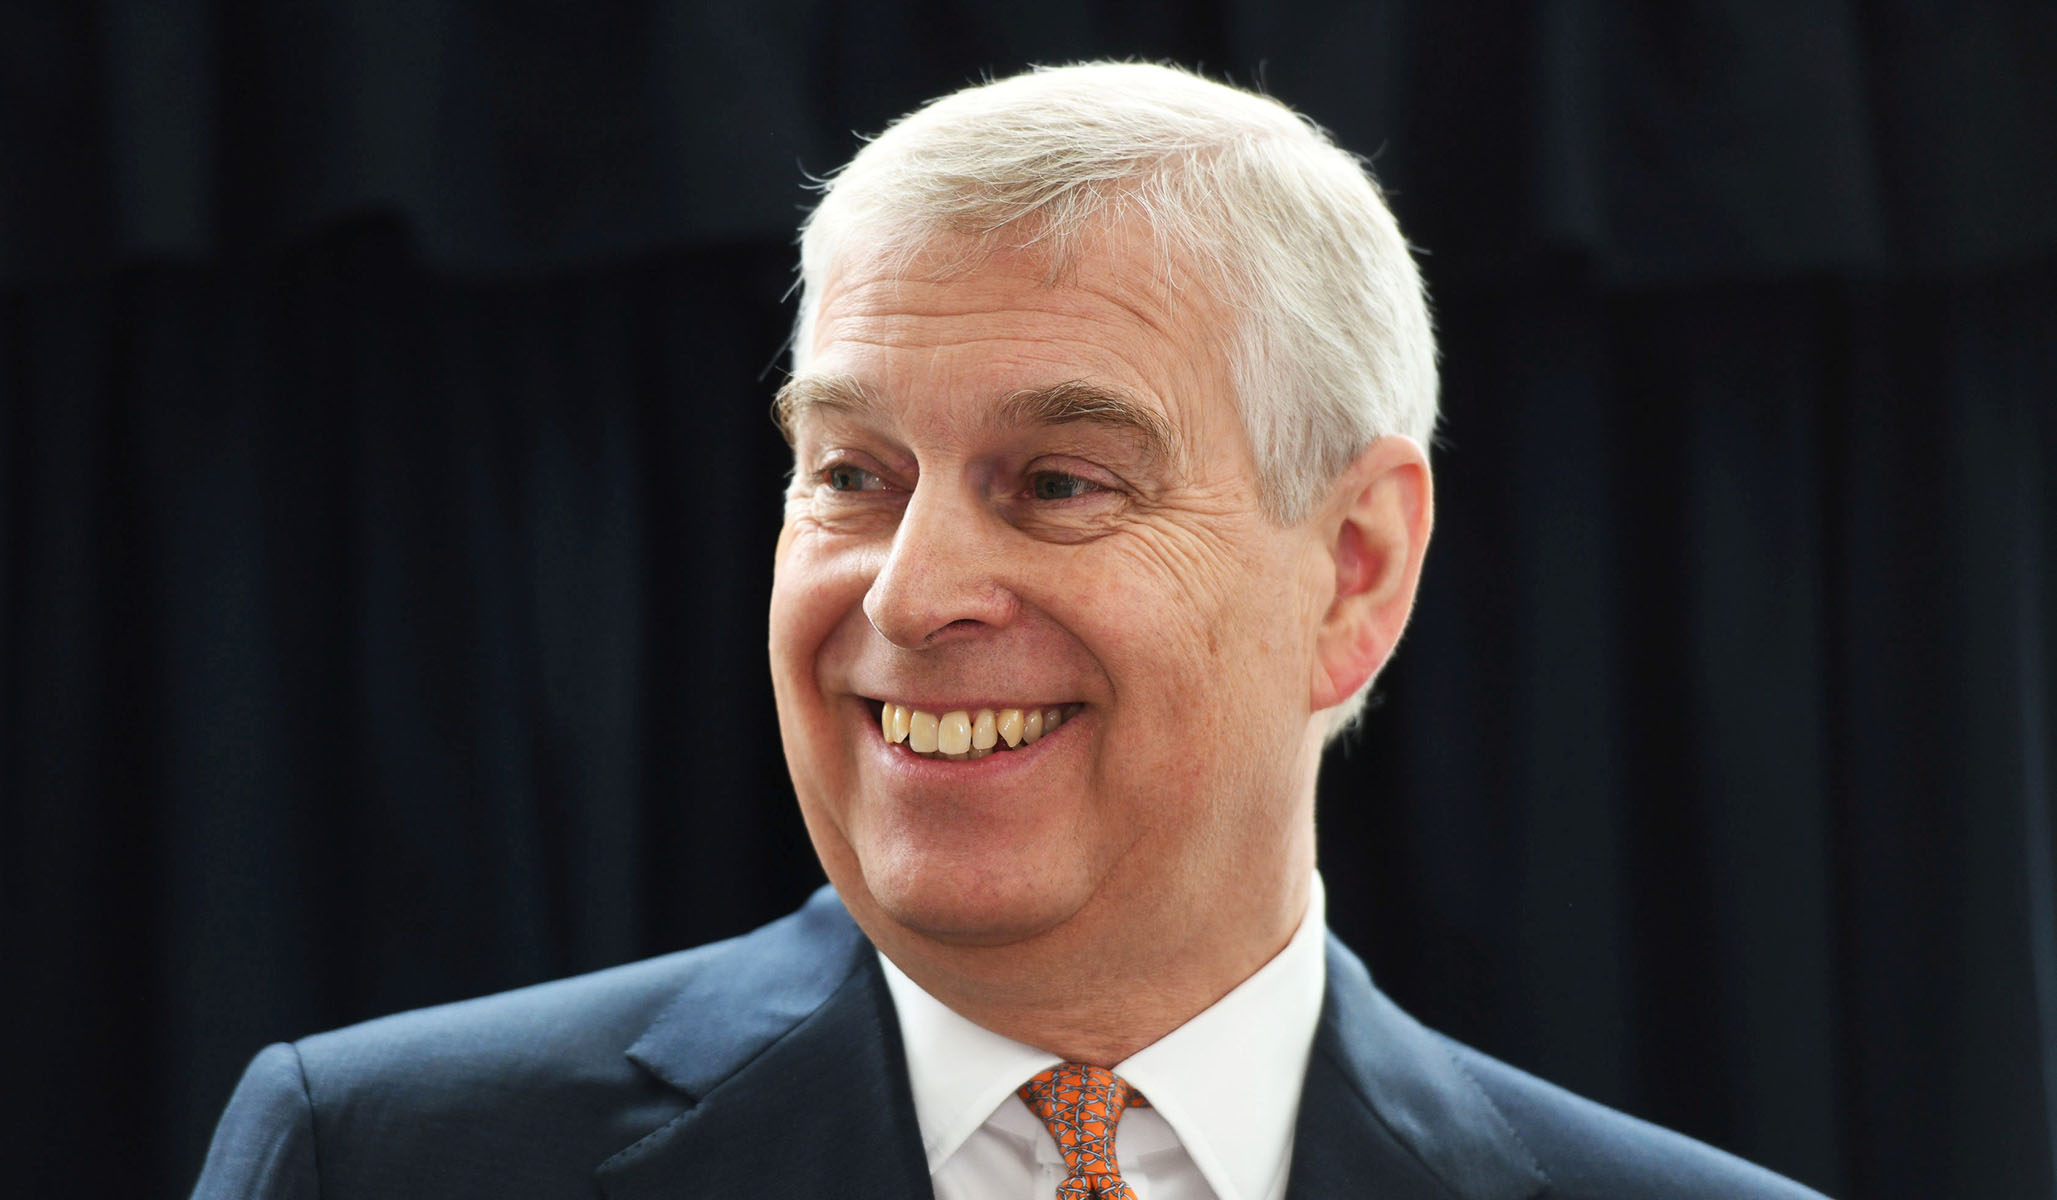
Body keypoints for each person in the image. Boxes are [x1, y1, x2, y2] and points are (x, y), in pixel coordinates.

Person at [193, 63, 1825, 1199]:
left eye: (1055, 483)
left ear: (1351, 570)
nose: (907, 595)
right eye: (851, 475)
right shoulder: (383, 1163)